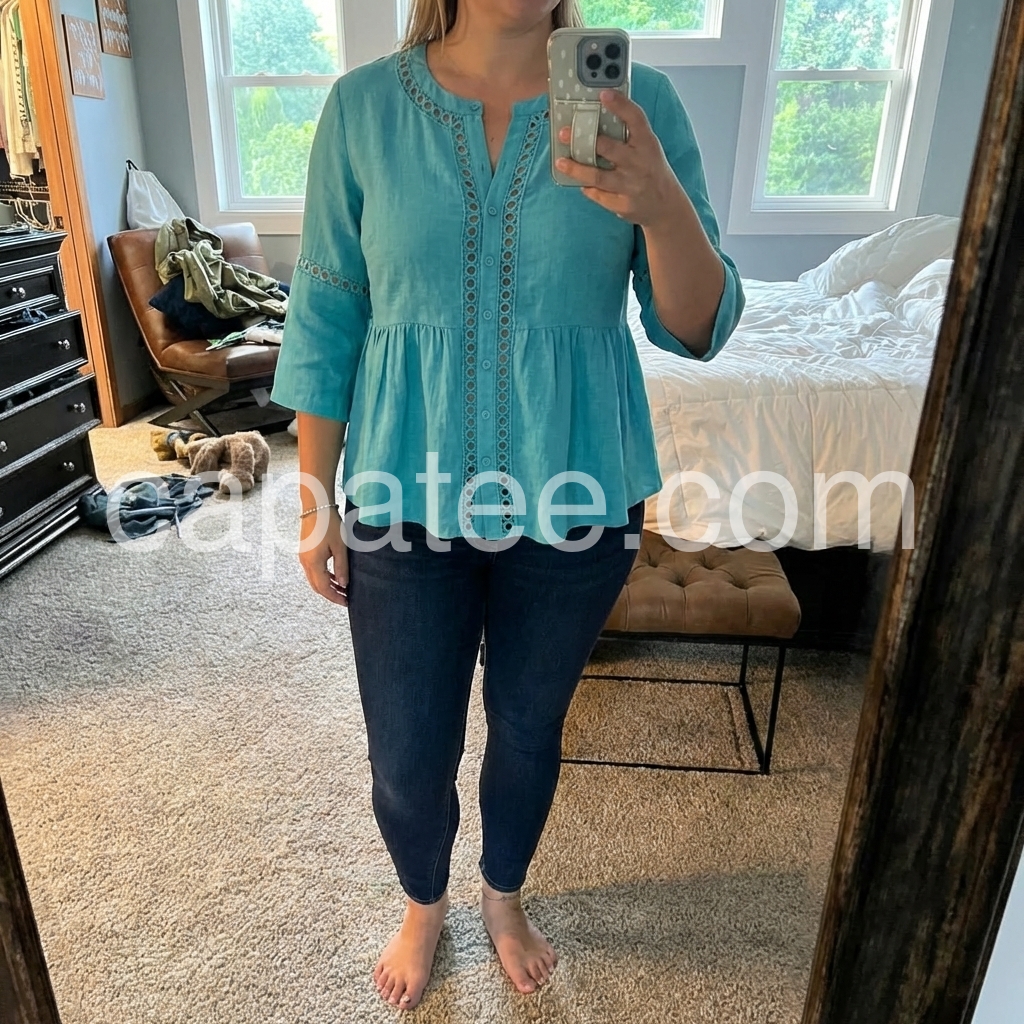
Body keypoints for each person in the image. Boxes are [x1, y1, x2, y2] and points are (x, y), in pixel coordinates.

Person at [270, 0, 743, 1011]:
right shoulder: (363, 110)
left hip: (577, 488)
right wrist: (313, 498)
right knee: (406, 751)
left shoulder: (639, 102)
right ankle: (423, 900)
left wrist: (662, 205)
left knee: (528, 726)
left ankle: (503, 893)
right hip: (401, 485)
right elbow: (326, 313)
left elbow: (695, 328)